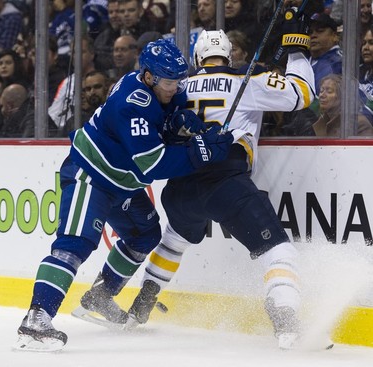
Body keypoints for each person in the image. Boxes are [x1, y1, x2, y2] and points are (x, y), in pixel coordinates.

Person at [79, 23, 316, 350]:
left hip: (179, 188)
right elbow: (302, 94)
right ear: (229, 55)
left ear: (195, 58)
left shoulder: (178, 86)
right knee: (278, 249)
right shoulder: (243, 78)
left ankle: (142, 304)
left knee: (175, 239)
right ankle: (286, 319)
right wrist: (297, 48)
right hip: (224, 180)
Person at [14, 38, 235, 352]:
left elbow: (165, 119)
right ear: (148, 77)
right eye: (170, 82)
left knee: (144, 235)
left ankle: (100, 297)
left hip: (123, 183)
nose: (176, 88)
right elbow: (153, 162)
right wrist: (201, 152)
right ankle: (36, 319)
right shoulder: (131, 103)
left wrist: (181, 123)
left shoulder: (162, 87)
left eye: (178, 80)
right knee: (73, 245)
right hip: (91, 176)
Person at [93, 0, 122, 72]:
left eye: (117, 11)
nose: (114, 16)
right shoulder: (102, 38)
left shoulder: (135, 33)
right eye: (111, 12)